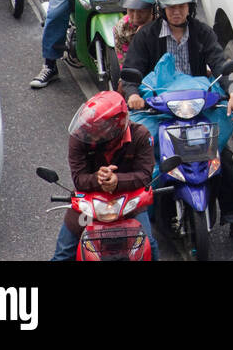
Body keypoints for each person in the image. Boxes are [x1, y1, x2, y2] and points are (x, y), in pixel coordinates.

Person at [122, 0, 233, 245]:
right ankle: (136, 219)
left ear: (190, 7)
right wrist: (132, 95)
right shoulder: (147, 36)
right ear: (162, 9)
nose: (177, 11)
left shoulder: (202, 32)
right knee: (145, 158)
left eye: (182, 6)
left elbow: (220, 64)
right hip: (161, 112)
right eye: (171, 7)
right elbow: (132, 74)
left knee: (223, 158)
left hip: (196, 110)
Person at [51, 91, 159, 261]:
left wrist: (117, 181)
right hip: (89, 203)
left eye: (96, 130)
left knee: (149, 246)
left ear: (116, 126)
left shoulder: (141, 136)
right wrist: (98, 179)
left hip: (130, 203)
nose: (90, 134)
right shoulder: (80, 137)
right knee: (63, 254)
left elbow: (145, 175)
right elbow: (79, 178)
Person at [114, 0, 158, 70]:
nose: (135, 16)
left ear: (152, 9)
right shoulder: (121, 28)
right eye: (131, 10)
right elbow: (124, 62)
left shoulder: (164, 22)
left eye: (141, 11)